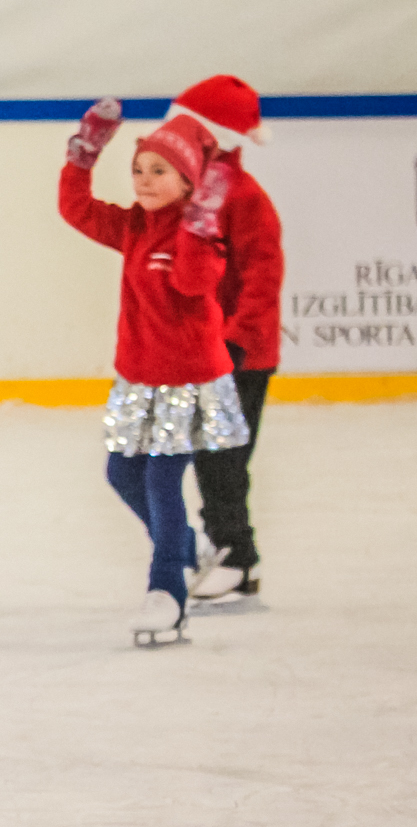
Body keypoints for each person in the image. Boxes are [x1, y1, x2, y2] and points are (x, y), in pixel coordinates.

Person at [57, 99, 252, 646]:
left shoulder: (202, 237)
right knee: (121, 474)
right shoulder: (133, 227)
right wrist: (84, 154)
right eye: (138, 168)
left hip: (187, 383)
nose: (143, 180)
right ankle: (185, 549)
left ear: (189, 181)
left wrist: (200, 222)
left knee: (163, 481)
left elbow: (192, 284)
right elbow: (75, 209)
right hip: (138, 381)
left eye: (158, 171)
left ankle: (167, 591)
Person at [166, 76, 282, 603]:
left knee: (223, 457)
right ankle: (226, 547)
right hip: (205, 351)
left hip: (241, 355)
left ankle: (238, 556)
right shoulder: (194, 192)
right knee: (207, 451)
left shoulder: (243, 196)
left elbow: (263, 276)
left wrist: (237, 344)